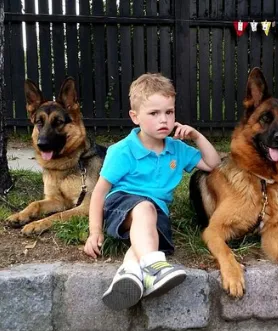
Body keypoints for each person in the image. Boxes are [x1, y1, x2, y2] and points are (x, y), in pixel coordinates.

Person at [83, 73, 222, 310]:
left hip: (155, 214)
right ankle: (155, 268)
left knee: (148, 230)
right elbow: (99, 192)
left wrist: (196, 136)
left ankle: (128, 275)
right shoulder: (122, 151)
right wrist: (95, 231)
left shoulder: (176, 149)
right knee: (145, 208)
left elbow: (213, 164)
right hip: (120, 206)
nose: (164, 120)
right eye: (154, 113)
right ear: (135, 117)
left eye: (169, 112)